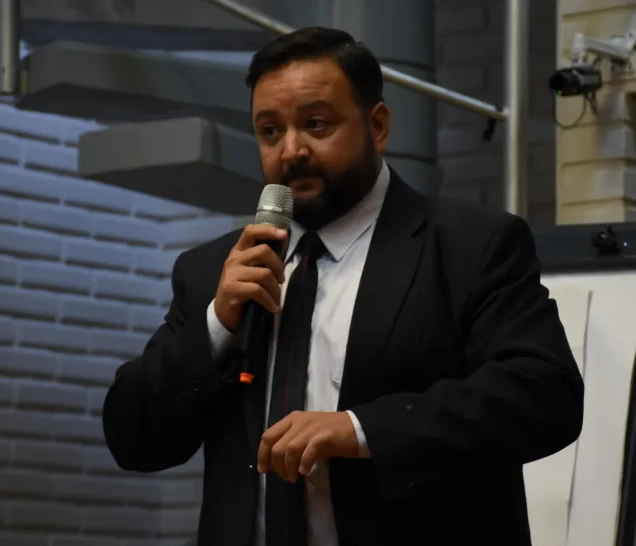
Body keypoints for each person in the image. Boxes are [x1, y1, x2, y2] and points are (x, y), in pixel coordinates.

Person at [102, 26, 584, 546]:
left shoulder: (469, 246)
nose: (291, 150)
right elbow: (133, 439)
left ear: (377, 127)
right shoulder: (213, 272)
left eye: (316, 124)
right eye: (270, 131)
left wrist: (359, 429)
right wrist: (217, 325)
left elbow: (544, 396)